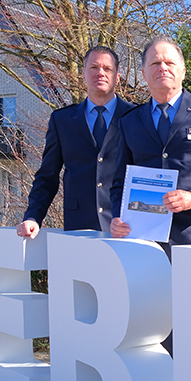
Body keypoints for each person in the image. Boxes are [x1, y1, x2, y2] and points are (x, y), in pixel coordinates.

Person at [108, 37, 191, 245]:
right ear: (144, 73)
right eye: (155, 63)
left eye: (169, 63)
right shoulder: (129, 121)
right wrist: (118, 217)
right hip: (142, 239)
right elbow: (119, 183)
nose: (162, 68)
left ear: (183, 71)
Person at [17, 46, 135, 238]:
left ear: (118, 77)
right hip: (78, 228)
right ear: (83, 75)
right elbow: (47, 177)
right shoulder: (62, 120)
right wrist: (32, 217)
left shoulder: (135, 117)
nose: (100, 73)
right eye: (94, 67)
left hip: (124, 227)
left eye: (107, 68)